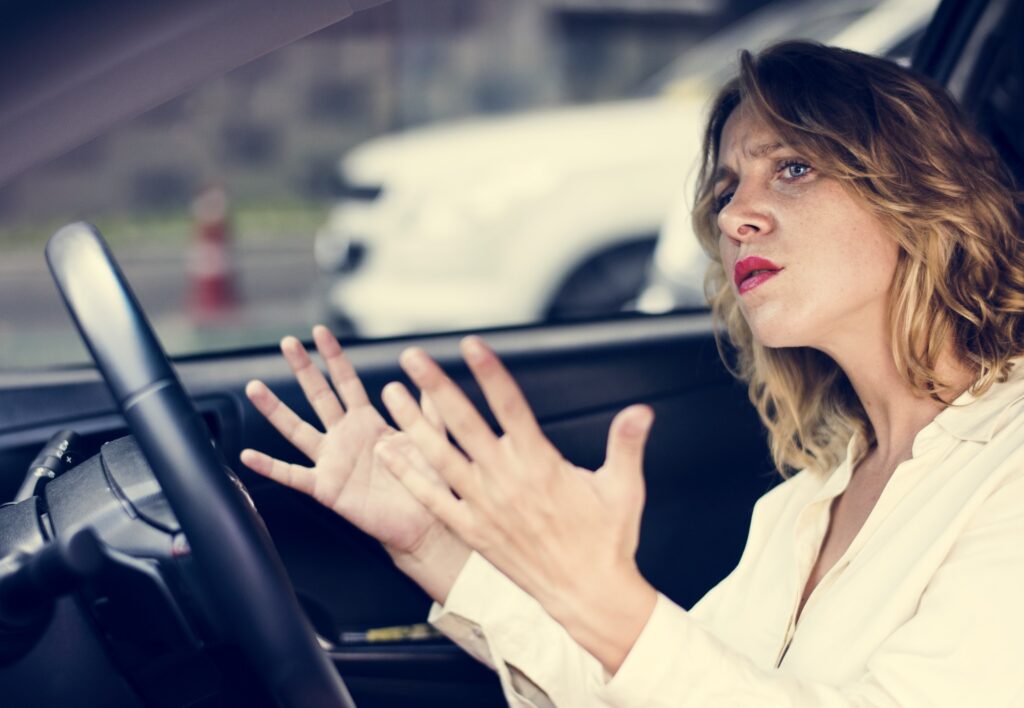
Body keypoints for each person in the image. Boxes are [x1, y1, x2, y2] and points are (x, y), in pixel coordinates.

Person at [241, 41, 1024, 706]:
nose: (731, 216)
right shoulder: (805, 503)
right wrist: (433, 544)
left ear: (922, 193)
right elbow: (656, 684)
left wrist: (610, 600)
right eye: (726, 188)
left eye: (790, 169)